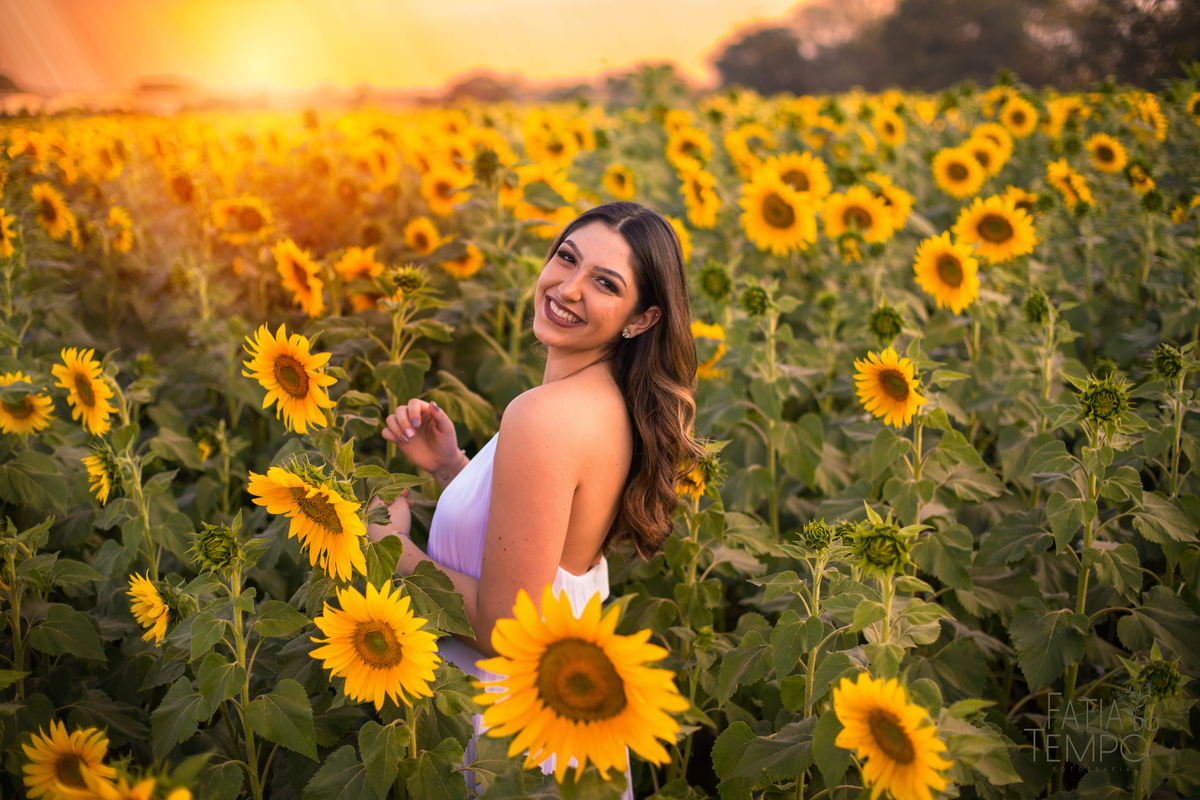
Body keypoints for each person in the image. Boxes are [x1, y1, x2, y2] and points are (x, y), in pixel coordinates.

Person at [367, 201, 704, 788]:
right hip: (561, 731)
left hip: (507, 741)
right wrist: (453, 468)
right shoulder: (609, 405)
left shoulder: (544, 416)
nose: (568, 288)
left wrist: (387, 543)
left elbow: (505, 628)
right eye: (566, 258)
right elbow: (548, 547)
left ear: (641, 319)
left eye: (604, 283)